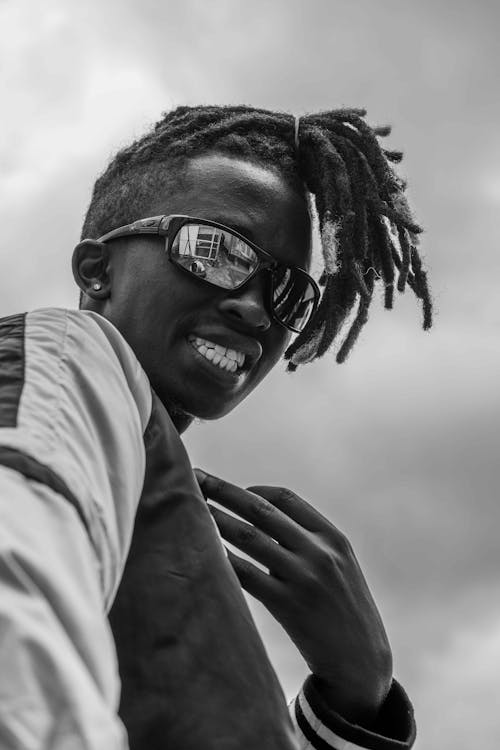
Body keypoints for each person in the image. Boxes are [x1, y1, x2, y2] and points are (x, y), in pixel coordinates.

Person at [0, 105, 432, 750]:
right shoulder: (66, 353)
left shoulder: (150, 502)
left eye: (288, 292)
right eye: (216, 250)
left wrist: (358, 698)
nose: (256, 309)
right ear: (97, 270)